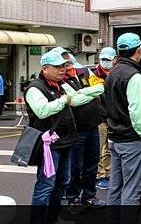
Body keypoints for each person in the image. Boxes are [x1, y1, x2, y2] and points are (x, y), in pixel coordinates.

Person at [49, 47, 105, 212]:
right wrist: (88, 94)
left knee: (92, 163)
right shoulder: (59, 81)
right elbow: (74, 101)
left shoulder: (85, 71)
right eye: (62, 60)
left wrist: (83, 92)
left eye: (67, 57)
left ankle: (89, 196)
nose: (66, 62)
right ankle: (73, 198)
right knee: (76, 166)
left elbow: (101, 87)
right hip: (76, 129)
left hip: (93, 124)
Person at [25, 51, 77, 224]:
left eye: (63, 66)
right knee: (46, 186)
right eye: (57, 67)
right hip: (49, 146)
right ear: (45, 68)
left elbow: (76, 99)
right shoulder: (35, 88)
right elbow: (42, 111)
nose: (62, 70)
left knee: (63, 182)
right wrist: (63, 100)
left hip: (66, 142)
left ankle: (52, 219)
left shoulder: (59, 85)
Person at [104, 33, 141, 218]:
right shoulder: (134, 76)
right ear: (138, 51)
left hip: (115, 137)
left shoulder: (113, 73)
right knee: (133, 189)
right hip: (132, 139)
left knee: (115, 187)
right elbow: (136, 111)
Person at [93, 47, 117, 190]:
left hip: (114, 117)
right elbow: (97, 100)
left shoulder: (116, 74)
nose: (105, 62)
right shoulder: (94, 75)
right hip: (100, 118)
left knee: (109, 148)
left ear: (115, 59)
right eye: (103, 59)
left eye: (108, 59)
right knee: (99, 147)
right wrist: (106, 116)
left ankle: (107, 173)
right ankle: (100, 175)